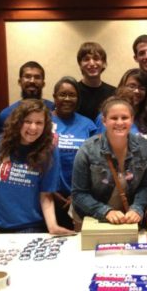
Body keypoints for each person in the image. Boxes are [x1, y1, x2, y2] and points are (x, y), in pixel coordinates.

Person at [0, 99, 73, 239]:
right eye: (27, 121)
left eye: (39, 123)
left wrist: (52, 226)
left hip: (31, 227)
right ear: (18, 122)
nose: (33, 128)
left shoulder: (49, 151)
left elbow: (45, 195)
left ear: (46, 125)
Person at [71, 96, 147, 228]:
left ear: (132, 119)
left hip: (125, 219)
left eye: (124, 118)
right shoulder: (87, 149)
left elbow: (146, 186)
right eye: (114, 118)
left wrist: (137, 208)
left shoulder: (144, 147)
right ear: (104, 121)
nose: (119, 123)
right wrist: (105, 211)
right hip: (91, 217)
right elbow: (78, 194)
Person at [51, 76, 97, 229]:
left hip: (82, 196)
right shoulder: (43, 122)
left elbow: (96, 163)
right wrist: (50, 191)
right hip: (49, 197)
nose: (67, 99)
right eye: (62, 94)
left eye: (72, 95)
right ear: (54, 97)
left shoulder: (88, 125)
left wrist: (78, 195)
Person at [0, 61, 54, 131]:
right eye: (27, 76)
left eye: (37, 77)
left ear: (43, 83)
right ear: (19, 82)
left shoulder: (54, 110)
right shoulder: (6, 114)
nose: (32, 81)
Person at [95, 68, 147, 135]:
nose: (136, 91)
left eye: (142, 88)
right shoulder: (106, 116)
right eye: (132, 86)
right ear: (122, 87)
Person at [75, 42, 116, 121]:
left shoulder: (114, 93)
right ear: (80, 64)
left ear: (104, 63)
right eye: (86, 59)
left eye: (96, 58)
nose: (92, 63)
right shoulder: (73, 92)